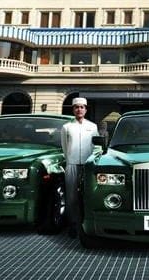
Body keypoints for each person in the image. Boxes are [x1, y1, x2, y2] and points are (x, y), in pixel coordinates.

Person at [61, 97, 99, 237]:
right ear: (73, 110)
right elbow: (65, 147)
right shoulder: (66, 127)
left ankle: (86, 224)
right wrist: (70, 160)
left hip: (88, 166)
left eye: (82, 107)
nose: (79, 109)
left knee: (87, 195)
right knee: (72, 197)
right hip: (72, 165)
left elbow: (97, 147)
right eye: (76, 107)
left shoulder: (92, 126)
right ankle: (73, 225)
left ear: (86, 109)